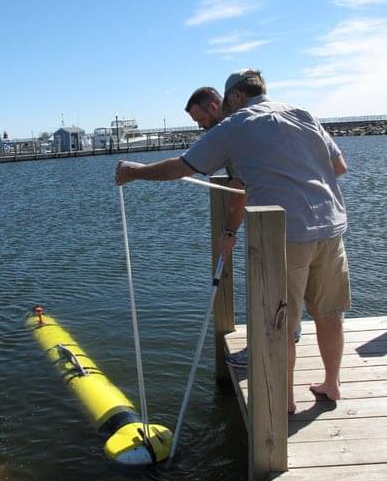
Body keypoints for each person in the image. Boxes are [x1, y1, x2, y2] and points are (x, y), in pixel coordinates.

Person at [115, 70, 350, 413]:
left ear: (236, 97)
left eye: (227, 102)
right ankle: (332, 384)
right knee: (330, 313)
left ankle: (283, 402)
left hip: (285, 234)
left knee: (280, 320)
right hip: (331, 227)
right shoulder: (303, 113)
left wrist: (134, 173)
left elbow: (181, 167)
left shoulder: (235, 125)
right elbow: (339, 167)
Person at [184, 86, 302, 363]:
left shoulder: (230, 133)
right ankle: (291, 331)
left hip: (270, 223)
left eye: (199, 118)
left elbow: (240, 190)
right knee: (290, 285)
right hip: (299, 217)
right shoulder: (252, 124)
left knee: (266, 287)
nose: (200, 126)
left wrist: (229, 232)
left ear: (214, 106)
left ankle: (260, 351)